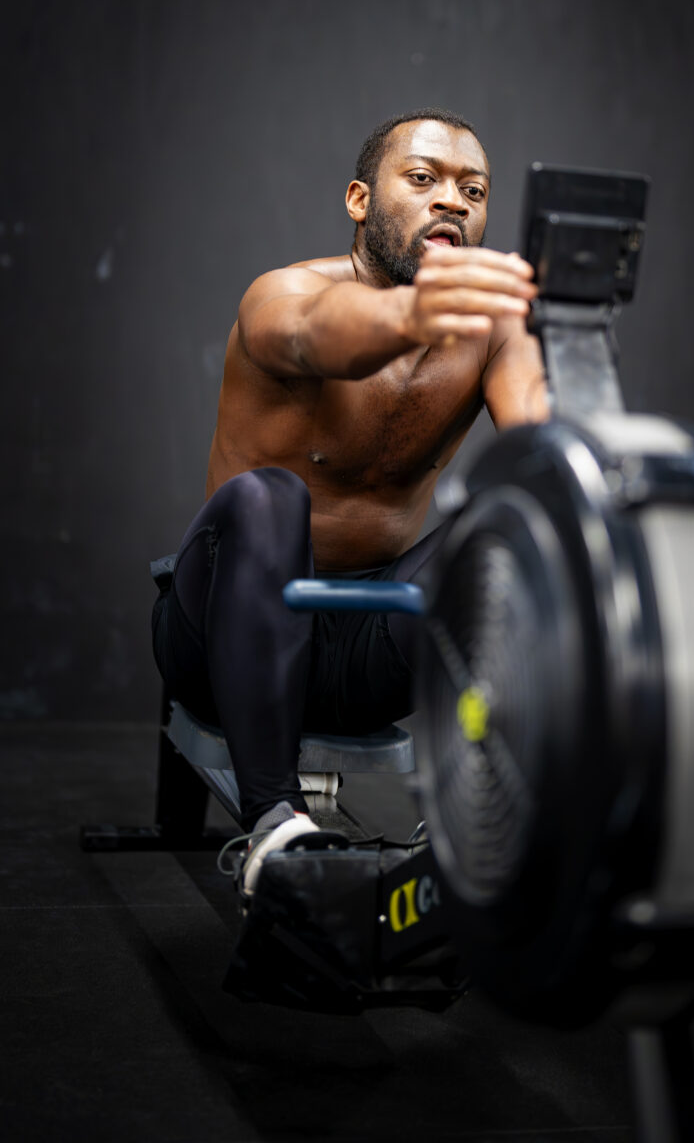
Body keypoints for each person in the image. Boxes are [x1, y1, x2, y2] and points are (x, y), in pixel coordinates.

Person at [152, 108, 549, 893]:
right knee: (268, 499)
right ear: (360, 200)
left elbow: (543, 447)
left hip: (373, 650)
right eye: (424, 179)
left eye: (473, 190)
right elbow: (315, 333)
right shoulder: (283, 294)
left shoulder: (492, 331)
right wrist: (414, 313)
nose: (453, 202)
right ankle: (273, 824)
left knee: (500, 527)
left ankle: (471, 828)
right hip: (220, 637)